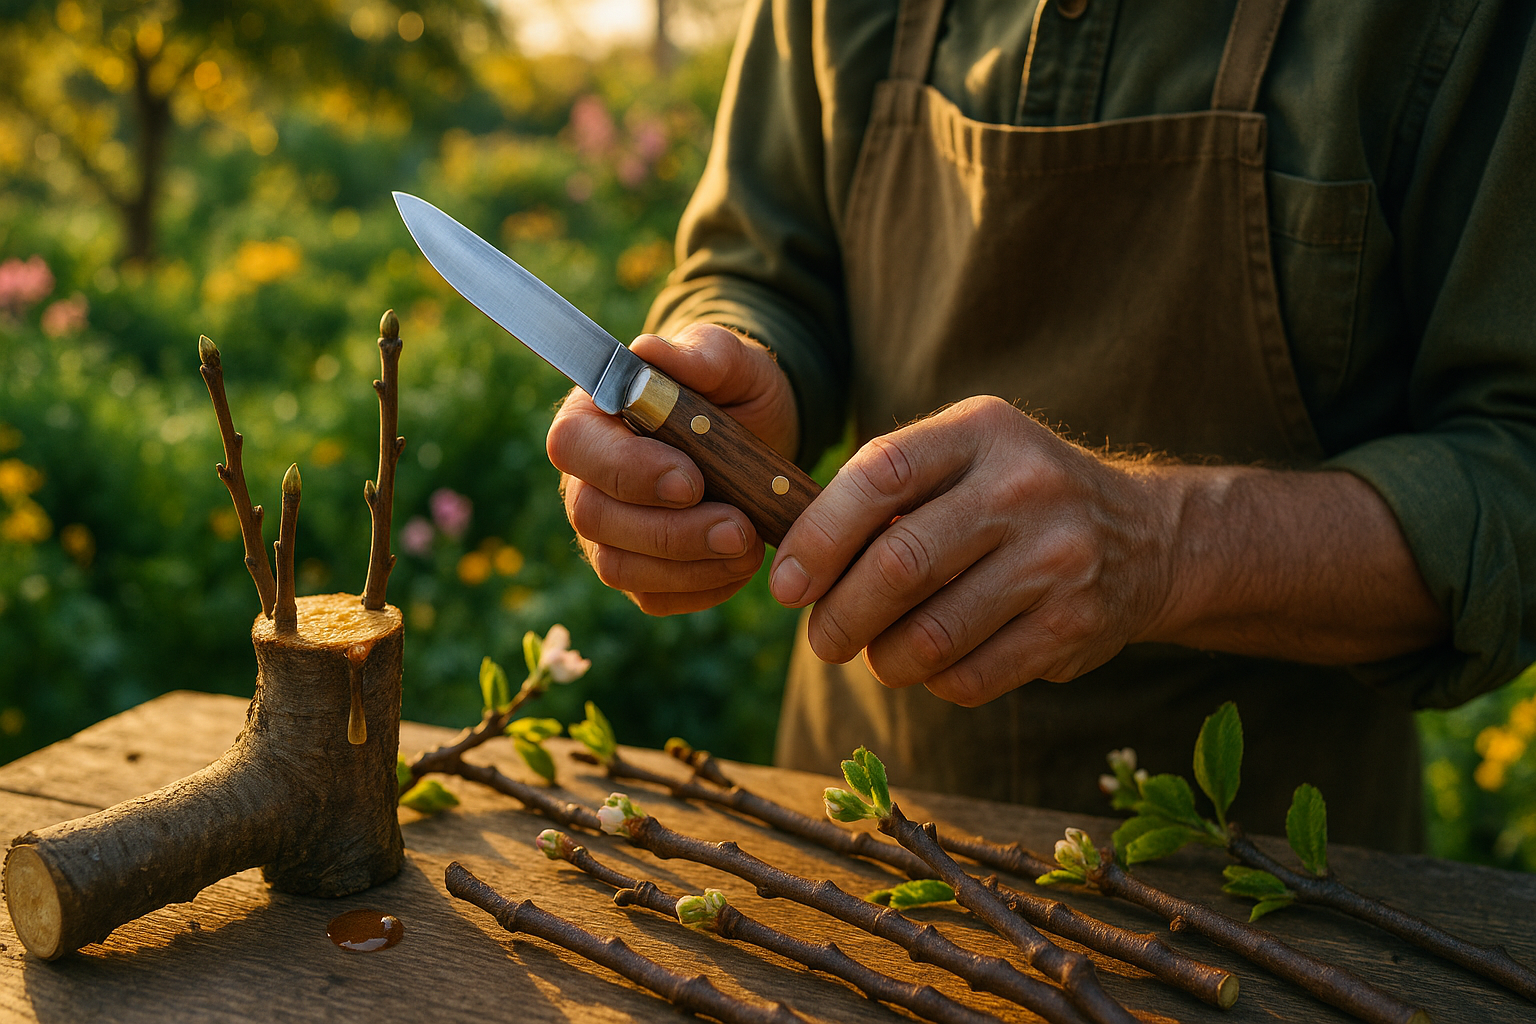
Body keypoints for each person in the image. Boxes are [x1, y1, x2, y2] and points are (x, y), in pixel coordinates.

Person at [547, 0, 1536, 850]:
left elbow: (1515, 465)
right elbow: (759, 259)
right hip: (866, 838)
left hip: (1267, 891)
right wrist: (740, 359)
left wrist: (1161, 544)